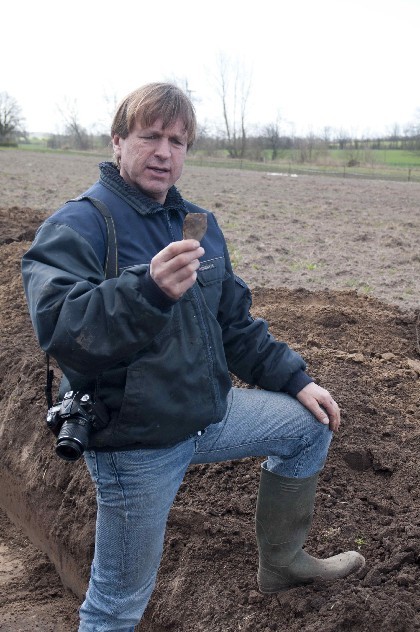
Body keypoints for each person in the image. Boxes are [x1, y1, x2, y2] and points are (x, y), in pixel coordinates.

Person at [22, 82, 365, 631]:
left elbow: (234, 324)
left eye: (178, 141)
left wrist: (296, 380)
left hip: (206, 415)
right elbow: (62, 329)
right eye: (150, 136)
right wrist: (148, 290)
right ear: (117, 141)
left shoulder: (196, 223)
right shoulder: (80, 225)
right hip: (137, 443)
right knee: (116, 605)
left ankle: (282, 563)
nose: (164, 152)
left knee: (309, 425)